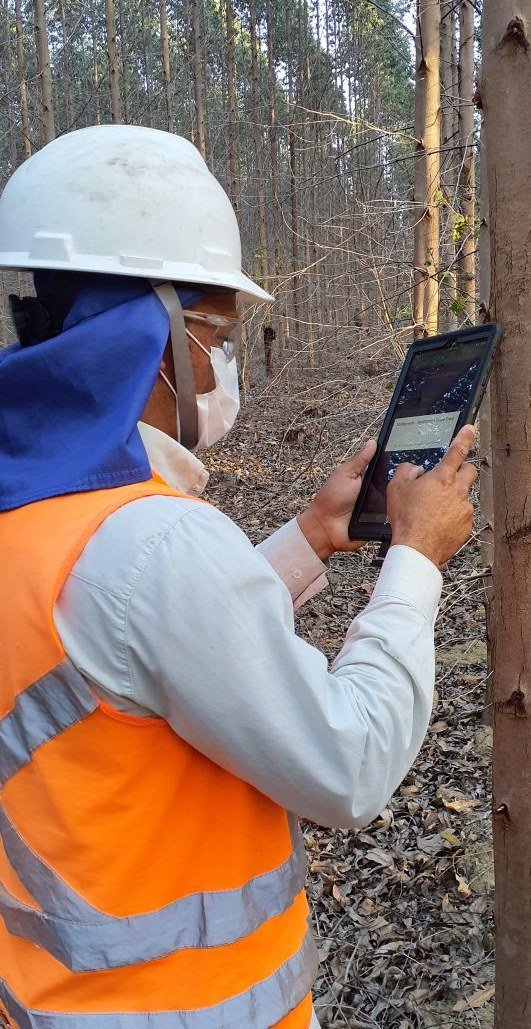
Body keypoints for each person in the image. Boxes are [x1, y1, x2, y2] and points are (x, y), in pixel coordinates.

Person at [0, 125, 477, 1029]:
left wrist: (308, 537)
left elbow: (115, 665)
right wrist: (414, 561)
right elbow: (349, 762)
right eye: (220, 330)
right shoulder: (154, 545)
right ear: (157, 333)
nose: (225, 364)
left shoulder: (35, 511)